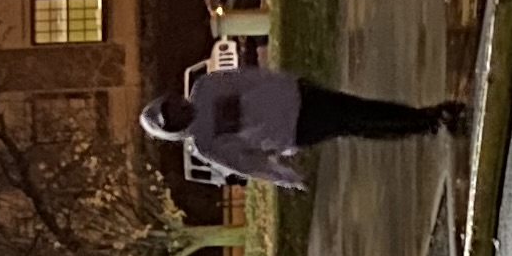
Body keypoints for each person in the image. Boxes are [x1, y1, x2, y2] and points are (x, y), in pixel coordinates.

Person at [139, 62, 465, 191]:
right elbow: (247, 163)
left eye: (172, 106)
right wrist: (286, 177)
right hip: (293, 130)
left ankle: (426, 119)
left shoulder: (206, 87)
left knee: (359, 110)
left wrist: (287, 81)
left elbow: (248, 76)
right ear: (173, 131)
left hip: (298, 96)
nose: (180, 111)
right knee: (354, 123)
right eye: (172, 118)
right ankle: (425, 122)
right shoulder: (207, 144)